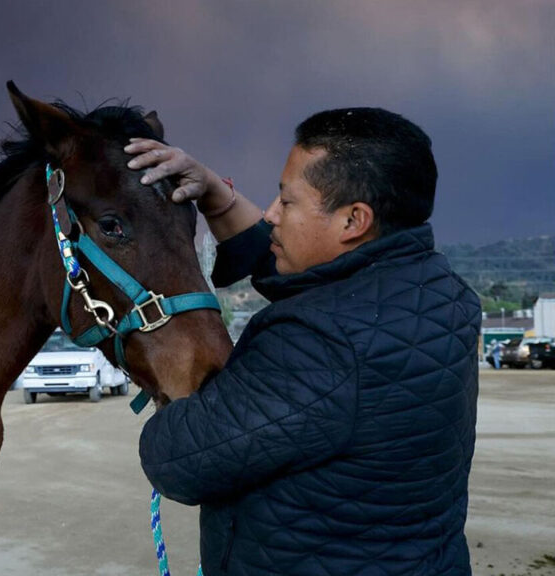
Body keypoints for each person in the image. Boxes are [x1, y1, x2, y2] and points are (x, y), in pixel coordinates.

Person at [128, 108, 480, 575]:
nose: (272, 214)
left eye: (287, 202)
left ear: (354, 220)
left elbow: (177, 460)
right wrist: (214, 191)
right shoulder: (442, 296)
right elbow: (305, 272)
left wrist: (174, 367)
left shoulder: (319, 342)